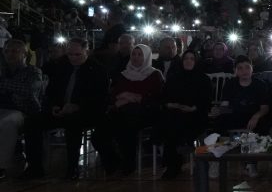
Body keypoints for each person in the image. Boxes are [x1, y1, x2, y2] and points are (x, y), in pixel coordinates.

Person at [25, 39, 109, 179]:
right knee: (32, 122)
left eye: (77, 54)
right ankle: (34, 167)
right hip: (61, 109)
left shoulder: (97, 70)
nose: (73, 58)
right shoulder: (61, 67)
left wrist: (77, 106)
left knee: (73, 123)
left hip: (86, 112)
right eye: (70, 54)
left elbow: (99, 97)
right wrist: (54, 106)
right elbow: (51, 92)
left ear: (86, 51)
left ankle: (72, 167)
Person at [92, 44, 164, 175]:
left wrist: (135, 97)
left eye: (140, 54)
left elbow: (157, 98)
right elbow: (114, 95)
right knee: (98, 134)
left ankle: (128, 163)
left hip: (145, 112)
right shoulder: (123, 74)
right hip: (120, 111)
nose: (136, 57)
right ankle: (113, 161)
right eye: (134, 54)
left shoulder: (154, 75)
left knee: (126, 125)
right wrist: (125, 98)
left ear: (146, 57)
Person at [156, 50, 210, 179]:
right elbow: (164, 98)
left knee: (176, 123)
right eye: (186, 58)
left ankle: (173, 164)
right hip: (174, 113)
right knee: (170, 121)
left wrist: (193, 108)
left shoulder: (203, 79)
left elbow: (206, 101)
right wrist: (172, 105)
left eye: (192, 59)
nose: (188, 61)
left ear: (196, 61)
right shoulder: (174, 78)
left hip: (195, 114)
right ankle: (173, 164)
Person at [0, 39, 43, 178]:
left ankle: (2, 166)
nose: (10, 54)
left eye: (14, 51)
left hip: (22, 111)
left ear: (24, 54)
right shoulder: (2, 71)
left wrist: (3, 83)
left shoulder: (32, 71)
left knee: (8, 122)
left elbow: (28, 90)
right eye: (7, 51)